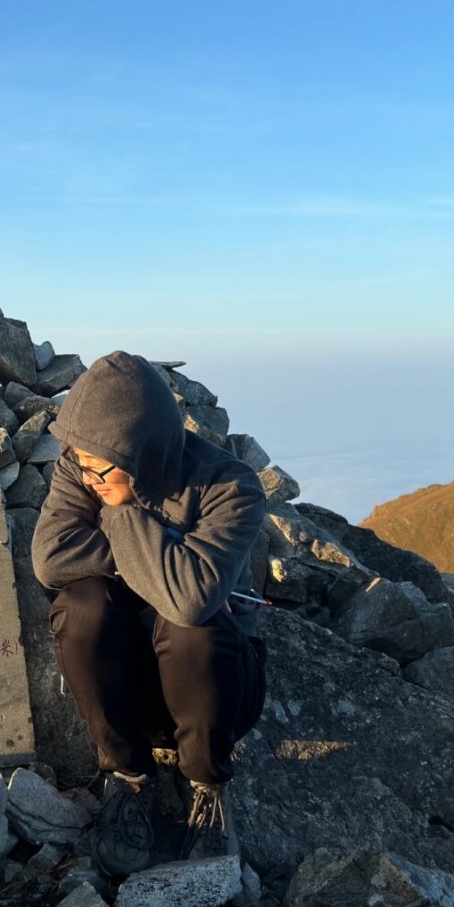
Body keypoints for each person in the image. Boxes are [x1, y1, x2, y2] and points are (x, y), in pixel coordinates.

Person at [32, 350, 268, 876]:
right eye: (83, 463)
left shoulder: (230, 487)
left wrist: (119, 515)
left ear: (146, 451)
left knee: (192, 626)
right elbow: (51, 560)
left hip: (215, 690)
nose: (89, 478)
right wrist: (164, 556)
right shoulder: (83, 464)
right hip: (128, 685)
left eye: (103, 466)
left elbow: (189, 600)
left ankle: (206, 784)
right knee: (82, 604)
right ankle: (130, 777)